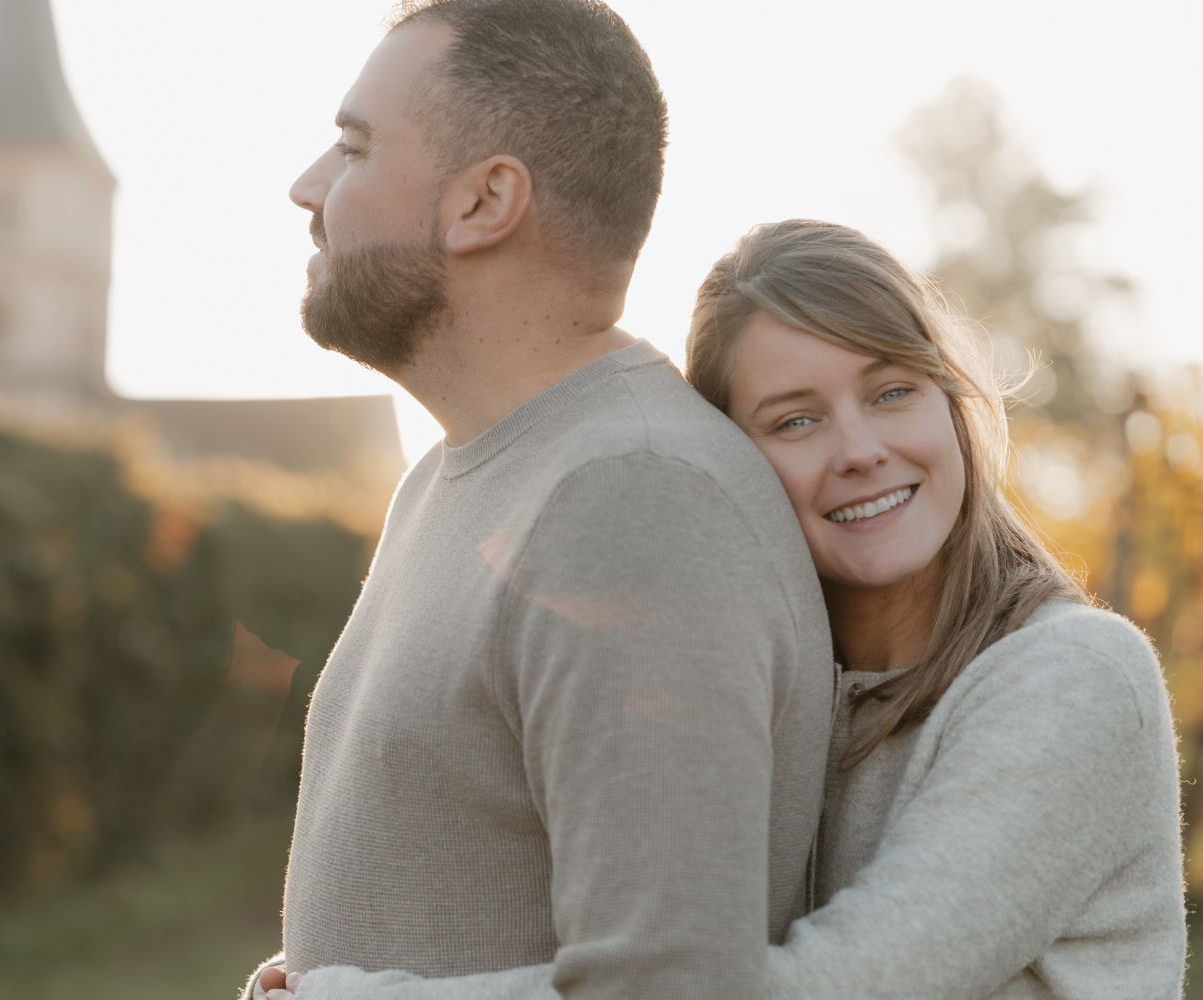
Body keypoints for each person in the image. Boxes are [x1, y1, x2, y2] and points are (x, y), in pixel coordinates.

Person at [262, 221, 1187, 999]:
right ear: (732, 469)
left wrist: (359, 995)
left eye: (892, 392)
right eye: (796, 419)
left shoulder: (1075, 680)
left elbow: (795, 990)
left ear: (951, 407)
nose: (860, 449)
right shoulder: (780, 686)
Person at [244, 3, 835, 999]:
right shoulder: (455, 476)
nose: (307, 187)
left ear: (485, 202)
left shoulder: (640, 499)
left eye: (353, 147)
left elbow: (669, 986)